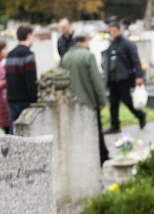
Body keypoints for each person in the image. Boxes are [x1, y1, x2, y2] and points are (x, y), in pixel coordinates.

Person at [60, 33, 109, 164]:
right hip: (88, 101)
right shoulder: (88, 56)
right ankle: (102, 156)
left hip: (71, 102)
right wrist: (101, 100)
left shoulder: (66, 57)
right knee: (95, 129)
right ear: (85, 41)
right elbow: (95, 79)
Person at [103, 20, 146, 133]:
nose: (112, 33)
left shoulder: (127, 44)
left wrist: (139, 76)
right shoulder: (112, 45)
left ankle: (140, 115)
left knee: (127, 100)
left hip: (124, 77)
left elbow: (136, 61)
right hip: (113, 78)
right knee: (113, 102)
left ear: (119, 30)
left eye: (114, 31)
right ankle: (115, 125)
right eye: (110, 31)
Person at [4, 24, 38, 126]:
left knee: (13, 128)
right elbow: (30, 79)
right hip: (24, 99)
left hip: (11, 97)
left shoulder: (10, 54)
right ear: (29, 35)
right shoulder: (28, 54)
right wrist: (34, 99)